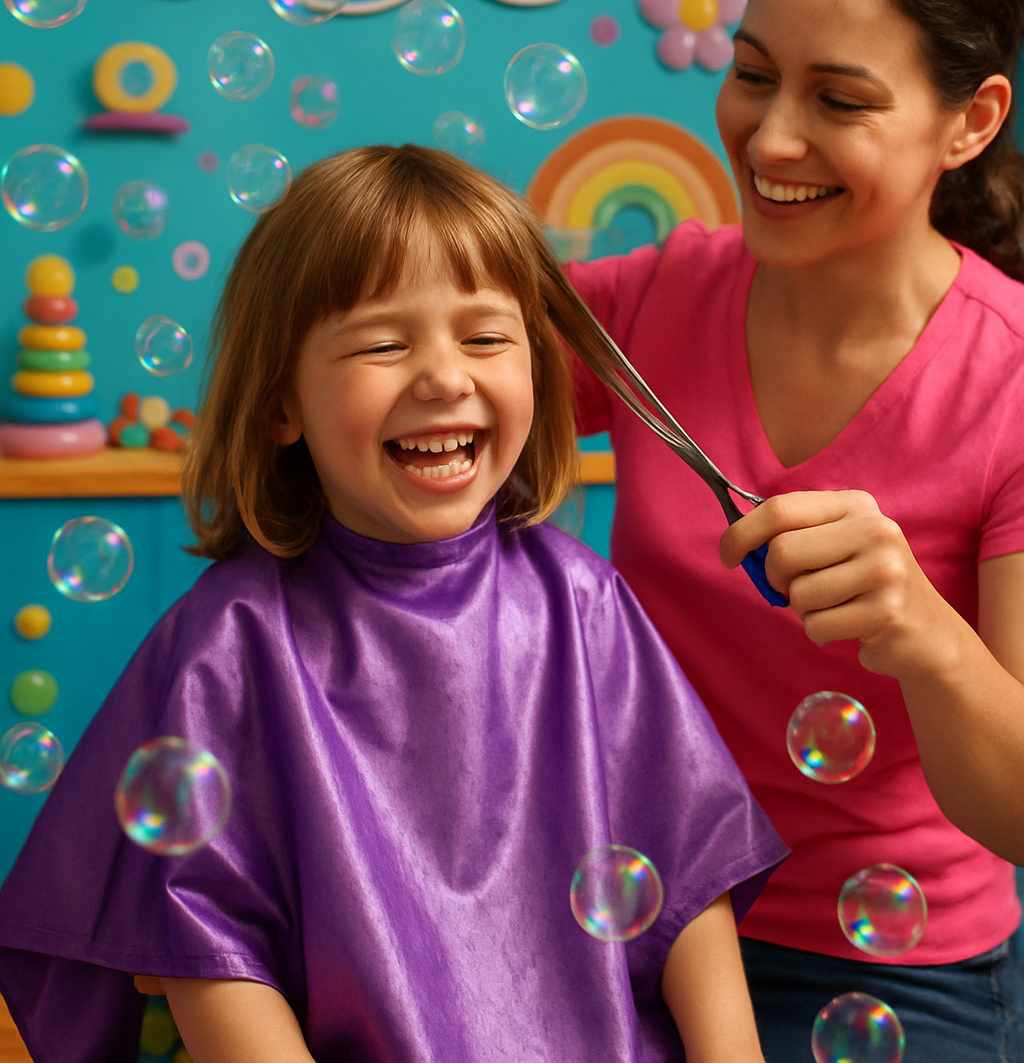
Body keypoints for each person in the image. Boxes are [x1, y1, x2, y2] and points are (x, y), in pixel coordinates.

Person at [0, 145, 786, 1063]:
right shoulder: (232, 643)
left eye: (487, 338)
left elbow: (688, 882)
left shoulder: (583, 604)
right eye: (382, 343)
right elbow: (207, 953)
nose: (445, 377)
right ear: (280, 404)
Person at [567, 0, 1024, 1062]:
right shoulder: (653, 299)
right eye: (754, 74)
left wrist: (923, 630)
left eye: (840, 99)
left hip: (890, 971)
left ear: (968, 122)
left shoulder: (1013, 383)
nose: (769, 139)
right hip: (629, 923)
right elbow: (452, 368)